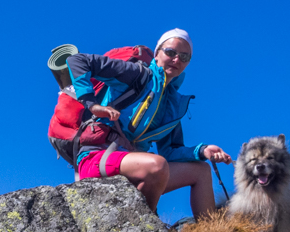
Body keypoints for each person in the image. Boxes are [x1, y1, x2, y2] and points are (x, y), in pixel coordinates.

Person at [65, 28, 233, 216]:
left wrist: (202, 151)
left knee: (201, 171)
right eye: (170, 52)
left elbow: (170, 152)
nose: (177, 60)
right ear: (157, 53)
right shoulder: (136, 75)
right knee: (157, 166)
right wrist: (92, 105)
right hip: (97, 158)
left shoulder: (171, 105)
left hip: (135, 167)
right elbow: (77, 60)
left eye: (184, 57)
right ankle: (143, 227)